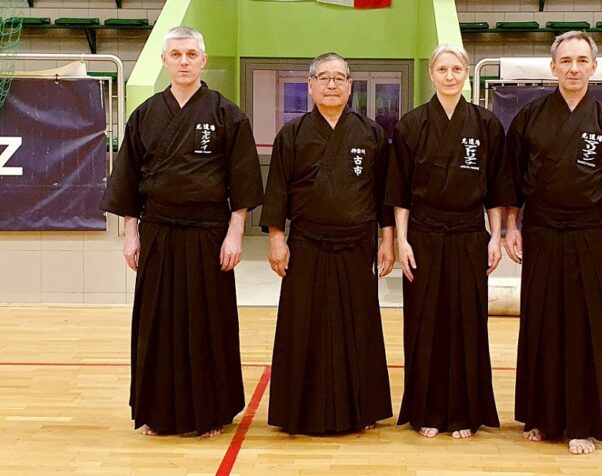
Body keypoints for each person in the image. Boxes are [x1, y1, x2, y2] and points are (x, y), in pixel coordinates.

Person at [100, 26, 264, 438]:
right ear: (165, 61)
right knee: (157, 322)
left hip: (209, 232)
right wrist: (131, 233)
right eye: (177, 54)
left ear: (203, 60)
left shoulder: (227, 114)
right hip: (158, 231)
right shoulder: (145, 115)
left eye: (192, 54)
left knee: (209, 322)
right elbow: (128, 180)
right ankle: (158, 412)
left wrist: (235, 232)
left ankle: (210, 411)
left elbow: (241, 181)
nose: (185, 61)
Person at [503, 31, 602, 455]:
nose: (573, 67)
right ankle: (540, 417)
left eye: (581, 60)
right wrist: (512, 226)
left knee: (587, 326)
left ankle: (583, 424)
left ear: (594, 67)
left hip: (590, 232)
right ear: (552, 67)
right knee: (541, 321)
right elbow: (511, 179)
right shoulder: (530, 117)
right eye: (565, 60)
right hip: (542, 231)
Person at [261, 52, 395, 435]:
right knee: (304, 325)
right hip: (306, 244)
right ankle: (297, 412)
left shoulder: (371, 134)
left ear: (350, 86)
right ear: (311, 85)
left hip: (356, 245)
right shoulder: (293, 133)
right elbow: (278, 192)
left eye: (340, 78)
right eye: (324, 77)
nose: (332, 84)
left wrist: (388, 240)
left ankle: (361, 408)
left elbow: (384, 193)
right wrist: (276, 239)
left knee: (359, 325)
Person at [386, 44, 510, 440]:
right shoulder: (410, 124)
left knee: (467, 323)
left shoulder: (486, 124)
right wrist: (402, 241)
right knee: (425, 323)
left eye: (457, 68)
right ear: (431, 74)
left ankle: (465, 413)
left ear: (467, 73)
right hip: (424, 235)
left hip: (470, 234)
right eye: (443, 68)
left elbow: (495, 189)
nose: (450, 75)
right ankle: (427, 410)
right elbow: (399, 193)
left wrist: (496, 236)